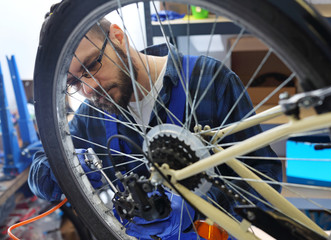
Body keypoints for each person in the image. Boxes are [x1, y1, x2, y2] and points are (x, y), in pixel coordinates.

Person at [29, 15, 282, 239]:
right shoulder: (93, 114)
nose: (89, 87)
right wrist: (67, 170)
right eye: (74, 82)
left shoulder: (207, 80)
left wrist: (200, 208)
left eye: (93, 64)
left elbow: (265, 177)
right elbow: (37, 171)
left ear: (118, 37)